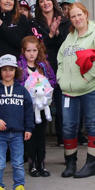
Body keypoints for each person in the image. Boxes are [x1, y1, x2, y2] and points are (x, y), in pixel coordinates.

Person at [56, 2, 95, 178]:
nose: (77, 18)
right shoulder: (70, 37)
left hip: (91, 88)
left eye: (79, 15)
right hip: (69, 91)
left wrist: (87, 77)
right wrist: (61, 78)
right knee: (68, 127)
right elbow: (60, 59)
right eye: (73, 16)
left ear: (86, 14)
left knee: (93, 123)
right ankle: (70, 163)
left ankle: (91, 164)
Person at [0, 54, 34, 190]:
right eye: (4, 69)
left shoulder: (22, 90)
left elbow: (28, 110)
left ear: (15, 71)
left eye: (11, 69)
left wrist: (28, 128)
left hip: (18, 133)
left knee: (18, 163)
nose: (7, 73)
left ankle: (19, 186)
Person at [33, 0, 71, 145]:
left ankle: (63, 138)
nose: (45, 3)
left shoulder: (65, 22)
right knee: (39, 104)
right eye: (41, 1)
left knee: (62, 105)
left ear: (53, 1)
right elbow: (36, 46)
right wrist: (49, 35)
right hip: (43, 68)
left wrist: (56, 33)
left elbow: (67, 45)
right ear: (38, 5)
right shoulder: (34, 23)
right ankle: (37, 142)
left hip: (62, 67)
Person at [18, 36, 57, 177]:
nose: (31, 54)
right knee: (30, 136)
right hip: (27, 108)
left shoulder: (44, 66)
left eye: (34, 50)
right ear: (23, 51)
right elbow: (17, 84)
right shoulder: (20, 67)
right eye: (28, 50)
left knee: (41, 135)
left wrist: (46, 86)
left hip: (42, 107)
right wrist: (29, 86)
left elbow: (53, 80)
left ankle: (42, 163)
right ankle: (32, 164)